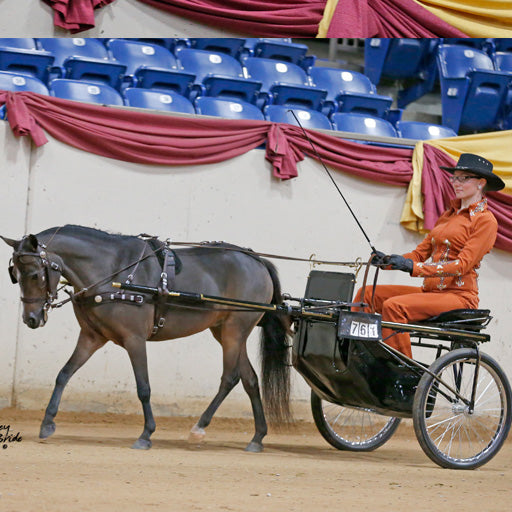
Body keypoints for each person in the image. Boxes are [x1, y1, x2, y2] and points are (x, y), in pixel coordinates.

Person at [354, 153, 505, 358]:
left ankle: (400, 370)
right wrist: (390, 261)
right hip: (432, 293)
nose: (456, 183)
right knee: (367, 293)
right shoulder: (447, 215)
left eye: (464, 178)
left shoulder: (485, 221)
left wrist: (414, 268)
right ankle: (362, 355)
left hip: (459, 297)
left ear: (481, 183)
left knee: (394, 306)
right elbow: (419, 253)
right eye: (455, 178)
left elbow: (462, 265)